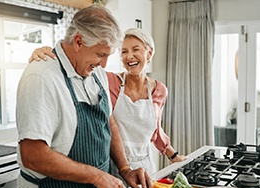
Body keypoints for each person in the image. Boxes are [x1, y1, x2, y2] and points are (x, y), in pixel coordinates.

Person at [16, 5, 152, 188]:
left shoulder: (95, 72)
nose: (105, 64)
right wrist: (96, 176)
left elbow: (108, 120)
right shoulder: (41, 77)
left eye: (108, 55)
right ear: (79, 41)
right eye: (100, 54)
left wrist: (125, 169)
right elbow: (33, 156)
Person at [29, 27, 187, 179]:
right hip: (112, 169)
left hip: (145, 169)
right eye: (124, 51)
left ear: (149, 53)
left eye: (136, 49)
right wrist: (48, 53)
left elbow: (156, 130)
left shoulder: (159, 90)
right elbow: (78, 64)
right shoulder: (109, 80)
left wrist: (174, 156)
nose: (129, 56)